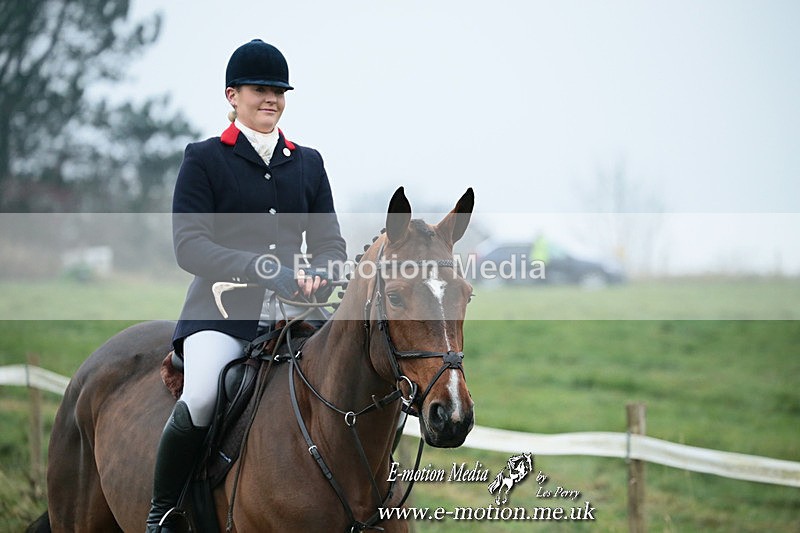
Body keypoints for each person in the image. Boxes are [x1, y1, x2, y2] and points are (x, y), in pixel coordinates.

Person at [146, 39, 347, 532]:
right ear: (232, 95)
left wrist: (321, 271)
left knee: (353, 376)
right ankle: (163, 511)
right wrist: (262, 268)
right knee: (202, 397)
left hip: (296, 312)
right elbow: (189, 246)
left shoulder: (308, 162)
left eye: (279, 91)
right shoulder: (205, 158)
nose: (271, 98)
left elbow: (331, 245)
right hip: (221, 316)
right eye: (260, 89)